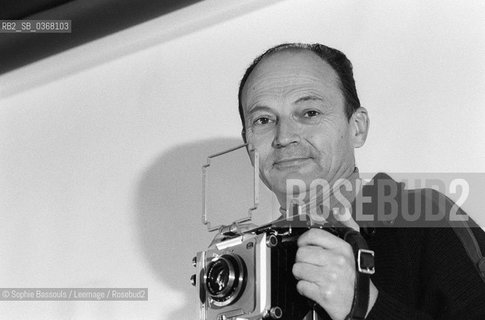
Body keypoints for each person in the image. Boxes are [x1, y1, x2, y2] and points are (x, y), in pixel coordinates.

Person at [237, 43, 485, 320]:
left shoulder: (424, 216)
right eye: (263, 119)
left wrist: (364, 306)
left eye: (309, 113)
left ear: (357, 127)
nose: (284, 137)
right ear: (248, 145)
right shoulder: (247, 262)